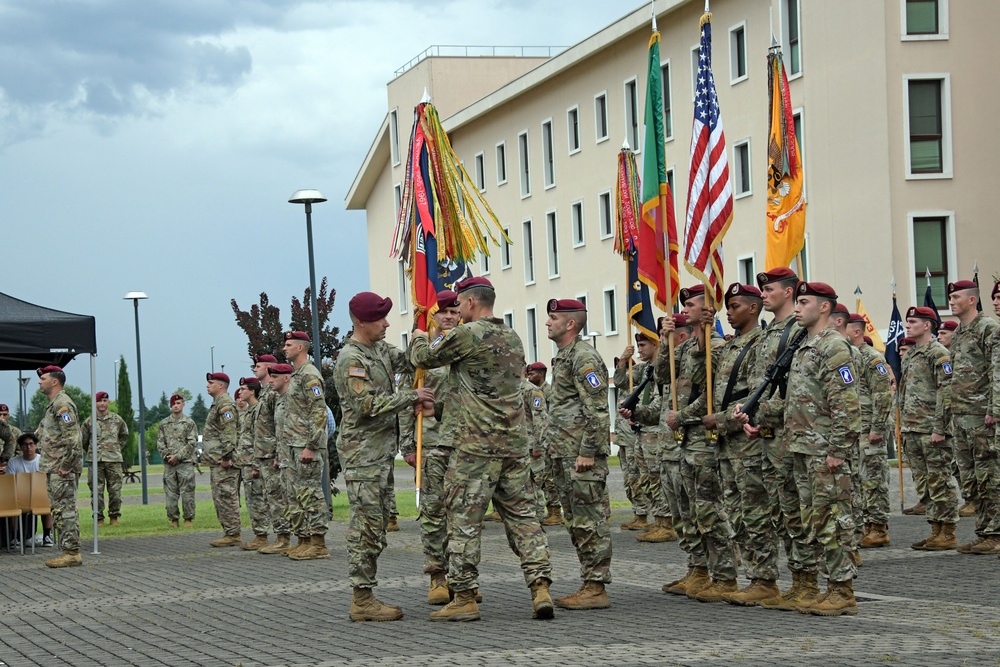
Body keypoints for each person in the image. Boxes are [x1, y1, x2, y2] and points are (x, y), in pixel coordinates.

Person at [411, 277, 554, 621]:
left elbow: (423, 356)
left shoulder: (467, 334)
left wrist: (418, 332)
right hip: (513, 445)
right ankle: (541, 588)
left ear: (471, 303)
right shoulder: (512, 336)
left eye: (459, 305)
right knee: (523, 519)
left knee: (463, 520)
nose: (456, 311)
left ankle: (463, 595)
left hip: (475, 447)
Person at [334, 291, 430, 622]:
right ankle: (362, 599)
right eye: (380, 319)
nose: (387, 323)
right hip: (362, 456)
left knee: (377, 525)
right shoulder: (351, 359)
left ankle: (366, 594)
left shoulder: (379, 349)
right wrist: (410, 397)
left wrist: (423, 333)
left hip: (379, 454)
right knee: (366, 526)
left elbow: (410, 361)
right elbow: (366, 406)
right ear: (361, 322)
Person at [783, 281, 862, 616]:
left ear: (825, 307)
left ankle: (842, 591)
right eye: (797, 302)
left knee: (834, 518)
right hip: (803, 447)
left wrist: (838, 449)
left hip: (825, 450)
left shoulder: (834, 347)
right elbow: (802, 398)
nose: (797, 308)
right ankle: (829, 586)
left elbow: (846, 403)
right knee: (816, 520)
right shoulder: (805, 346)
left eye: (803, 302)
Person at [734, 267, 806, 610]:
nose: (764, 294)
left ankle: (805, 580)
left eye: (770, 289)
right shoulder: (767, 333)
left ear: (789, 293)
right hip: (763, 434)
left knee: (793, 510)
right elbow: (756, 384)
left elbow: (795, 386)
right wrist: (745, 412)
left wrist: (761, 414)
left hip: (786, 435)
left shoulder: (797, 331)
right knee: (774, 511)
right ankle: (773, 580)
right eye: (762, 289)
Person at [704, 283, 772, 605]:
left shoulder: (760, 343)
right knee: (736, 513)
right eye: (728, 307)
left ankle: (765, 578)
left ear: (754, 308)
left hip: (746, 442)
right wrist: (704, 327)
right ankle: (754, 576)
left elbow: (755, 397)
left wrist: (720, 420)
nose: (728, 312)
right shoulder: (731, 346)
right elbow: (698, 359)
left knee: (754, 512)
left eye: (734, 306)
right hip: (727, 446)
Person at [543, 297, 612, 610]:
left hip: (581, 457)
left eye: (553, 319)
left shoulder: (583, 356)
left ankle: (596, 586)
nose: (547, 322)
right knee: (575, 520)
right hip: (564, 453)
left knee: (590, 518)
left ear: (570, 324)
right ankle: (589, 581)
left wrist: (588, 451)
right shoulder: (565, 356)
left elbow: (597, 408)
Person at [400, 290, 461, 605]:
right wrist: (408, 446)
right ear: (431, 316)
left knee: (462, 515)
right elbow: (405, 403)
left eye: (454, 312)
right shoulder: (421, 355)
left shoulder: (466, 347)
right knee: (434, 513)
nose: (449, 317)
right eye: (443, 312)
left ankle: (464, 578)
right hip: (433, 445)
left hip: (464, 444)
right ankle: (438, 577)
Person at [948, 280, 1000, 554]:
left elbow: (995, 372)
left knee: (989, 475)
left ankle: (996, 533)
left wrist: (993, 409)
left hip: (982, 417)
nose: (951, 301)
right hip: (961, 416)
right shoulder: (958, 333)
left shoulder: (987, 328)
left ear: (971, 300)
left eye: (956, 297)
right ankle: (983, 531)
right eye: (950, 297)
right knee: (970, 478)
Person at [899, 306, 958, 550]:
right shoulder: (912, 354)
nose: (908, 325)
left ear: (927, 325)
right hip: (913, 429)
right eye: (908, 321)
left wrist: (939, 427)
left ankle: (949, 531)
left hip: (931, 430)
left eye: (913, 322)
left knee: (940, 480)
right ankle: (935, 529)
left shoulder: (939, 353)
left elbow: (946, 391)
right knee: (924, 483)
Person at [616, 331, 674, 543]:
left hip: (656, 431)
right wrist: (624, 359)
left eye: (643, 345)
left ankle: (665, 522)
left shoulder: (661, 368)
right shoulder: (645, 369)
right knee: (647, 478)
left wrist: (639, 413)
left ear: (656, 345)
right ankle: (658, 520)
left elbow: (659, 404)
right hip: (643, 430)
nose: (639, 349)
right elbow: (621, 382)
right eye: (638, 345)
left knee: (657, 476)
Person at [281, 331, 330, 560]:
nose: (285, 348)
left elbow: (318, 411)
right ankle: (305, 540)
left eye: (289, 345)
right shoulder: (297, 374)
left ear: (301, 348)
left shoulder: (310, 374)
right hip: (295, 444)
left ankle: (319, 544)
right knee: (299, 494)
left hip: (306, 445)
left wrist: (312, 445)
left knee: (311, 493)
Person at [846, 314, 893, 548]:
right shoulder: (847, 355)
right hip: (856, 429)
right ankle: (866, 523)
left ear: (856, 331)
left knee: (874, 480)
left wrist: (878, 427)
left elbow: (883, 394)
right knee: (860, 480)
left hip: (870, 430)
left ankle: (878, 527)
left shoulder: (872, 358)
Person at [36, 365, 83, 568]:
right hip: (53, 468)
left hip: (61, 469)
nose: (40, 381)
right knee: (58, 509)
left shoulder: (63, 405)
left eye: (43, 378)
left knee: (66, 510)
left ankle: (72, 552)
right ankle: (67, 550)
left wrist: (66, 465)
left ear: (54, 381)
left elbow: (73, 439)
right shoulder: (53, 405)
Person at [612, 348, 650, 532]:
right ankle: (637, 513)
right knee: (628, 479)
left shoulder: (642, 374)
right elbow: (618, 381)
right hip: (622, 437)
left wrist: (625, 361)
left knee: (635, 477)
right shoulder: (624, 385)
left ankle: (642, 514)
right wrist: (621, 363)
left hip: (633, 435)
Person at [203, 372, 242, 548]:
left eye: (211, 383)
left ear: (221, 385)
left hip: (223, 461)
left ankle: (233, 533)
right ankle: (229, 531)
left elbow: (229, 432)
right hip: (216, 460)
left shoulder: (225, 405)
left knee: (227, 496)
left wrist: (227, 456)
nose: (207, 385)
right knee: (220, 497)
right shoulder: (218, 404)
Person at [80, 391, 129, 526]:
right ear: (95, 403)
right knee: (96, 491)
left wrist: (115, 448)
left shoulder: (117, 420)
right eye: (99, 401)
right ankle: (99, 518)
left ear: (108, 402)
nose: (102, 404)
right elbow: (83, 441)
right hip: (95, 461)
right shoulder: (89, 422)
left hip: (113, 460)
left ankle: (114, 516)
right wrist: (92, 451)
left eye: (105, 401)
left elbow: (124, 436)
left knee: (115, 490)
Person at [236, 377, 270, 551]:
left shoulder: (258, 410)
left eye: (243, 388)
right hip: (246, 462)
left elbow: (260, 438)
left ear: (252, 391)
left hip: (254, 461)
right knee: (251, 500)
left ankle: (262, 535)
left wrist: (256, 464)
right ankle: (258, 534)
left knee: (258, 499)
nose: (240, 392)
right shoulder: (249, 411)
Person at [527, 362, 561, 526]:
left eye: (532, 373)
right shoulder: (534, 391)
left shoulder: (548, 392)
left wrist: (539, 444)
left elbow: (547, 418)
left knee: (549, 478)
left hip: (548, 440)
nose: (529, 376)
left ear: (541, 374)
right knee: (542, 477)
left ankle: (555, 510)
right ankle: (549, 510)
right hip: (542, 439)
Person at [7, 432, 54, 547]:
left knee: (47, 501)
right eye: (25, 445)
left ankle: (47, 535)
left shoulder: (43, 461)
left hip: (39, 496)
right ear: (21, 447)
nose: (28, 448)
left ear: (36, 445)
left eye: (31, 444)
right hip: (21, 497)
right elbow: (11, 483)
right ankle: (16, 536)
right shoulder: (13, 462)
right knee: (12, 503)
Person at [158, 394, 197, 527]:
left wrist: (178, 457)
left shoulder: (189, 423)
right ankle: (174, 520)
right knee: (170, 493)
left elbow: (192, 443)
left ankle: (188, 519)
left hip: (185, 463)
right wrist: (168, 456)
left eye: (179, 403)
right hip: (169, 464)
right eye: (174, 403)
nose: (176, 405)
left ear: (183, 404)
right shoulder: (163, 424)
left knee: (187, 492)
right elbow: (160, 443)